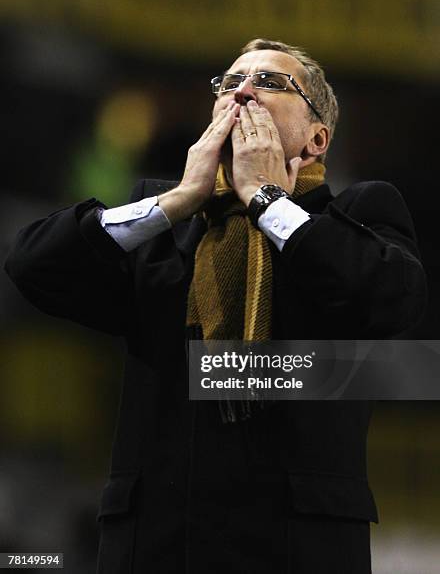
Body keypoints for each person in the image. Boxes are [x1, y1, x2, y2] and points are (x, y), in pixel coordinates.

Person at [5, 38, 427, 574]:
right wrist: (176, 201)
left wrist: (267, 200)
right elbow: (32, 267)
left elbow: (393, 299)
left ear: (317, 138)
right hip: (158, 545)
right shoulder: (161, 229)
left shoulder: (359, 213)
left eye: (271, 83)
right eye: (229, 83)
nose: (243, 91)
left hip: (295, 547)